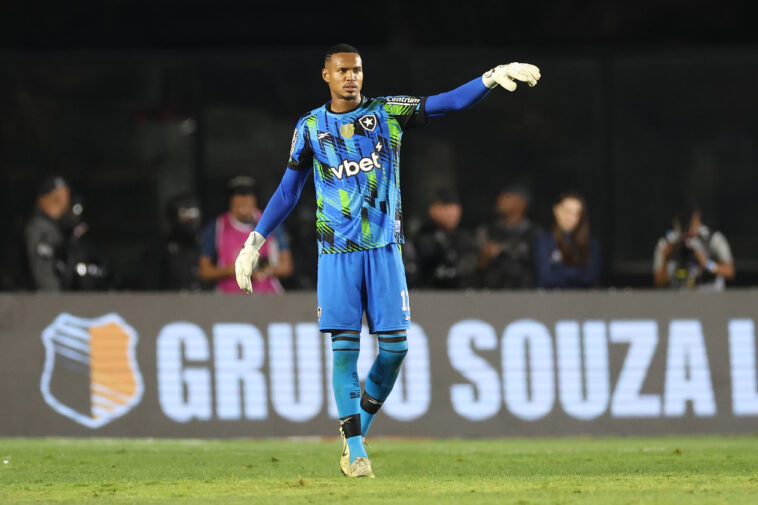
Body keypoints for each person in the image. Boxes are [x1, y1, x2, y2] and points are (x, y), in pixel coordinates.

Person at [233, 43, 540, 477]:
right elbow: (288, 191)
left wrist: (489, 78)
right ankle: (356, 451)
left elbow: (446, 103)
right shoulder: (310, 127)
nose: (351, 77)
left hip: (384, 249)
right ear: (326, 75)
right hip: (337, 253)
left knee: (396, 350)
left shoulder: (387, 112)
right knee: (345, 351)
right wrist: (255, 241)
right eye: (342, 71)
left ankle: (355, 430)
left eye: (357, 70)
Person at [199, 175, 293, 293]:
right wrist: (230, 271)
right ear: (231, 202)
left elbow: (286, 267)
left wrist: (266, 271)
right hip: (228, 296)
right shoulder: (217, 226)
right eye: (239, 203)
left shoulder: (271, 221)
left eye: (248, 201)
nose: (244, 206)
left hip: (266, 294)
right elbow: (204, 271)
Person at [408, 187, 478, 289]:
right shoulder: (421, 238)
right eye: (445, 205)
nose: (452, 212)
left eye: (455, 206)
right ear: (432, 209)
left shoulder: (466, 239)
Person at [653, 205, 735, 291]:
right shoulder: (667, 244)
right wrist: (666, 258)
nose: (688, 232)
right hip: (680, 294)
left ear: (697, 218)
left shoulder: (713, 239)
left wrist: (707, 264)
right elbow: (659, 283)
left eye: (691, 222)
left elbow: (730, 272)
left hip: (710, 294)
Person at [476, 184, 539, 289]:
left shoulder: (535, 234)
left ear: (521, 203)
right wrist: (485, 257)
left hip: (525, 292)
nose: (500, 199)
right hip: (492, 292)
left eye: (507, 196)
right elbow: (475, 269)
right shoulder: (488, 232)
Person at [534, 191, 601, 289]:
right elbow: (545, 277)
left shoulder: (591, 244)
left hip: (581, 296)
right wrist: (575, 272)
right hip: (552, 296)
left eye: (577, 213)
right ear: (556, 210)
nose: (571, 217)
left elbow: (590, 277)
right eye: (567, 211)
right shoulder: (544, 242)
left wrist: (560, 270)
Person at [143, 192, 205, 291]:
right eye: (184, 213)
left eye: (194, 213)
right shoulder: (160, 248)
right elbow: (151, 282)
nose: (190, 219)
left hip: (206, 298)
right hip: (172, 298)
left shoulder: (208, 243)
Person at [24, 175, 71, 291]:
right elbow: (42, 268)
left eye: (65, 195)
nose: (65, 201)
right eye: (58, 197)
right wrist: (54, 297)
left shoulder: (59, 226)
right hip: (47, 297)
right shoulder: (39, 228)